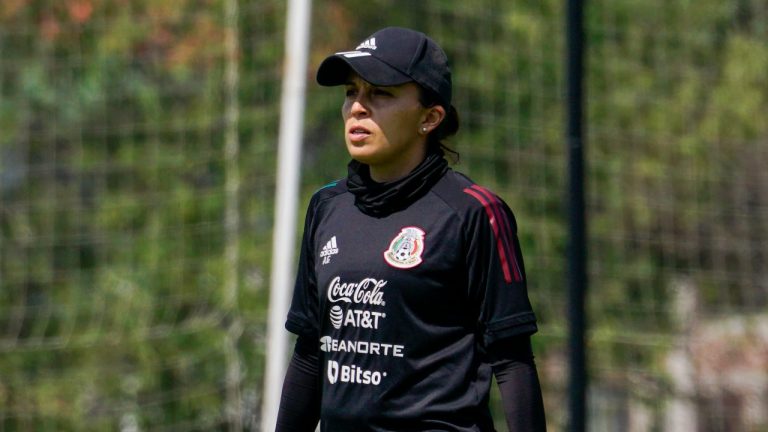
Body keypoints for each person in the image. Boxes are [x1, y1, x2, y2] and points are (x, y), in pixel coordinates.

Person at [276, 26, 546, 432]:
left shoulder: (474, 213)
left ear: (430, 118)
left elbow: (512, 360)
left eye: (380, 93)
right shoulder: (327, 206)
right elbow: (311, 351)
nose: (357, 108)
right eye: (351, 92)